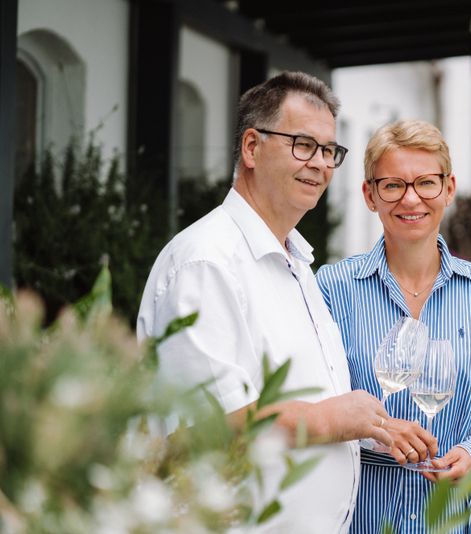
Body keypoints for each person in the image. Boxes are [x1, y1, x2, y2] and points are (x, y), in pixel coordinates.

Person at [137, 72, 397, 533]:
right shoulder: (207, 261)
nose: (319, 163)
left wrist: (371, 431)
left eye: (329, 151)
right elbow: (207, 427)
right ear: (252, 148)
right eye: (302, 144)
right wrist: (331, 419)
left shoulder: (296, 261)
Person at [316, 119, 471, 532]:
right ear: (370, 195)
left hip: (464, 516)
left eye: (426, 183)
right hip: (368, 512)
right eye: (393, 185)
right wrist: (376, 431)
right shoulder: (331, 289)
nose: (410, 199)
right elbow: (317, 402)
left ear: (448, 189)